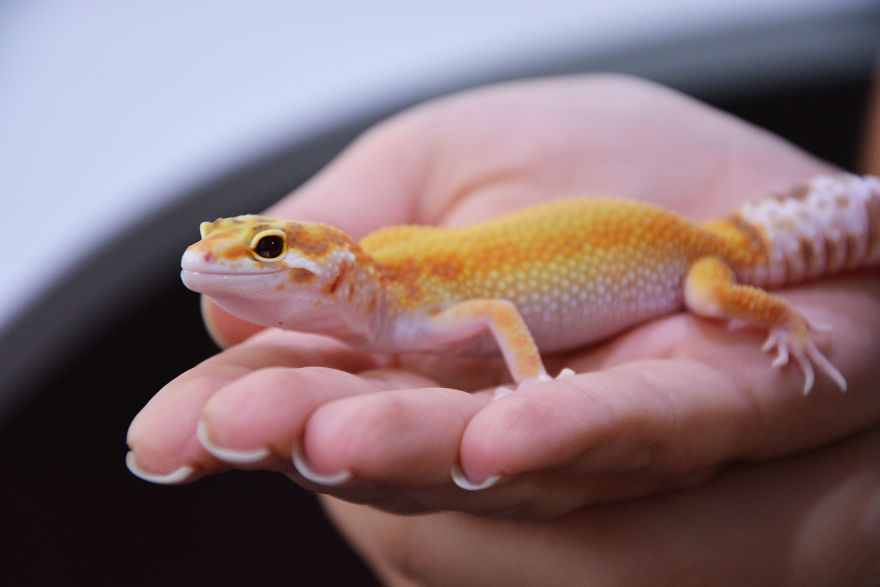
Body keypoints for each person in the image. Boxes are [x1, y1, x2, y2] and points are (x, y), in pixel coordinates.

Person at [127, 75, 880, 584]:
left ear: (334, 269)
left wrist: (531, 386)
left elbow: (496, 311)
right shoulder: (380, 296)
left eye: (264, 250)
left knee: (715, 300)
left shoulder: (408, 303)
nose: (209, 258)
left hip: (696, 254)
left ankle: (786, 316)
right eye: (223, 239)